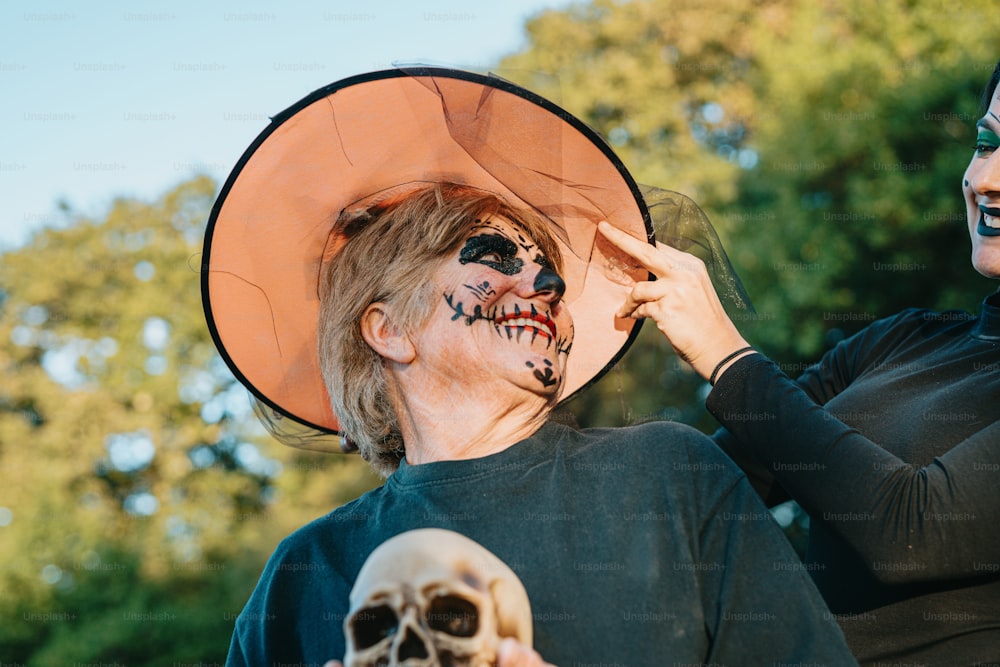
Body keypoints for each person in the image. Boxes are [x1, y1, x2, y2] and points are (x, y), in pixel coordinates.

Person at [202, 68, 857, 666]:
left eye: (548, 273)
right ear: (391, 328)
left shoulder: (668, 474)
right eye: (495, 259)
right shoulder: (305, 572)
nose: (544, 284)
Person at [598, 60, 1000, 665]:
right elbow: (709, 487)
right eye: (987, 142)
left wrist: (724, 355)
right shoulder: (901, 339)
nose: (987, 177)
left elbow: (912, 532)